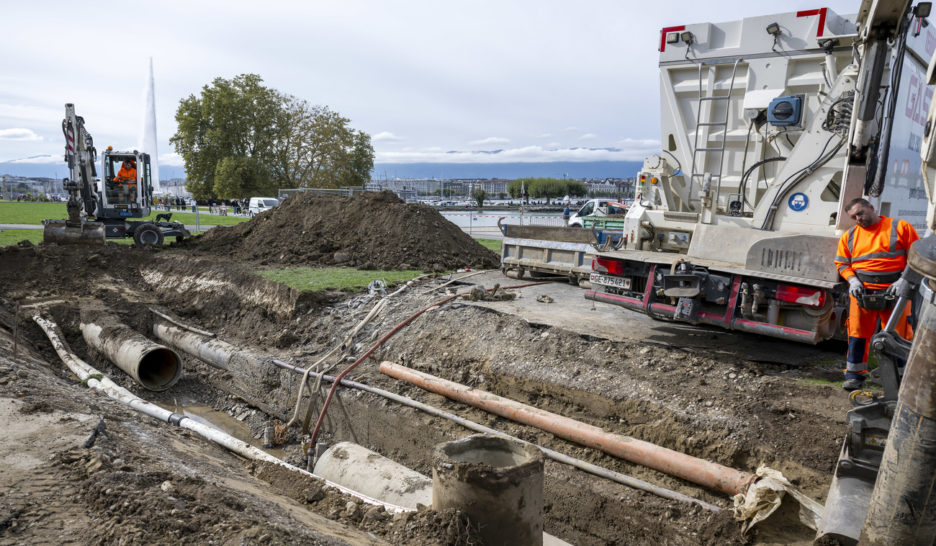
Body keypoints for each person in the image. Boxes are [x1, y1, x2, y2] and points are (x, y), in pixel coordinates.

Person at [834, 198, 920, 391]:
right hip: (862, 293)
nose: (858, 219)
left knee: (898, 335)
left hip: (895, 292)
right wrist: (852, 280)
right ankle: (854, 376)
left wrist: (904, 280)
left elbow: (916, 258)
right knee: (857, 334)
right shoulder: (850, 235)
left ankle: (899, 379)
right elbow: (842, 263)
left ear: (872, 208)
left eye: (860, 213)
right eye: (854, 217)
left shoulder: (900, 227)